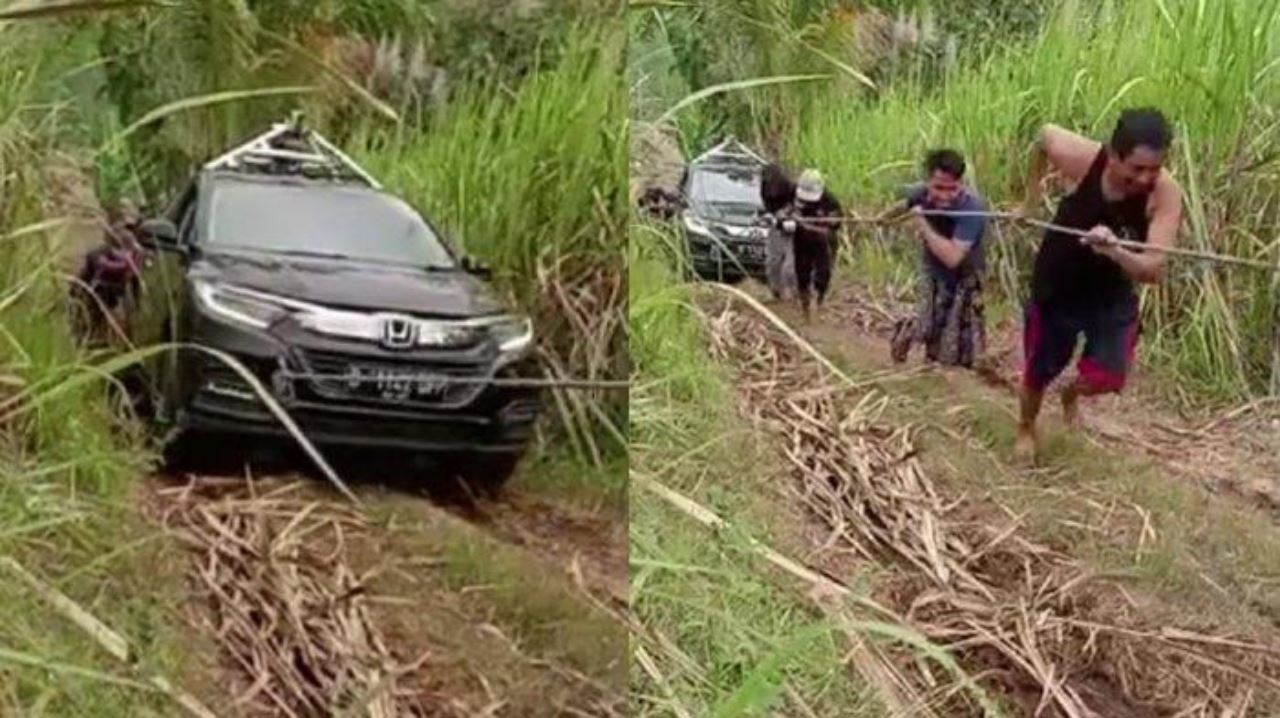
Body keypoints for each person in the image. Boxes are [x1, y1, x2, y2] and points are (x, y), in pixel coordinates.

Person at [1015, 108, 1183, 462]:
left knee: (1109, 375)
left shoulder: (1164, 194)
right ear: (1112, 155)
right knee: (1038, 369)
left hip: (1110, 291)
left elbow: (1152, 269)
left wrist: (1116, 251)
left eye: (1154, 168)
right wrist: (1028, 203)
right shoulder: (1081, 158)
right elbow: (1043, 133)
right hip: (1059, 280)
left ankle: (1071, 393)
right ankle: (1026, 428)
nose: (1145, 178)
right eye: (1136, 168)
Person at [890, 148, 989, 368]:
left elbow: (953, 257)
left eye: (951, 189)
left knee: (956, 344)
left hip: (965, 276)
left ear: (961, 184)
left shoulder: (972, 210)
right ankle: (906, 332)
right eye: (938, 188)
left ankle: (933, 368)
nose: (944, 196)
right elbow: (903, 205)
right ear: (928, 182)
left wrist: (921, 222)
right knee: (926, 325)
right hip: (931, 269)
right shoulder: (920, 193)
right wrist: (880, 219)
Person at [782, 169, 842, 323]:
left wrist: (804, 224)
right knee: (802, 274)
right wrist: (785, 220)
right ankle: (805, 311)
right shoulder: (793, 195)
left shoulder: (830, 202)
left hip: (823, 243)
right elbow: (784, 212)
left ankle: (818, 304)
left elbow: (830, 229)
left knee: (823, 275)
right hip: (801, 241)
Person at [759, 163, 797, 301]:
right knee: (773, 261)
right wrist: (772, 216)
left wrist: (788, 213)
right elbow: (769, 207)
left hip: (794, 227)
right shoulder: (764, 189)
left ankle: (792, 293)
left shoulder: (791, 188)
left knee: (790, 265)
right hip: (777, 226)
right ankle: (776, 291)